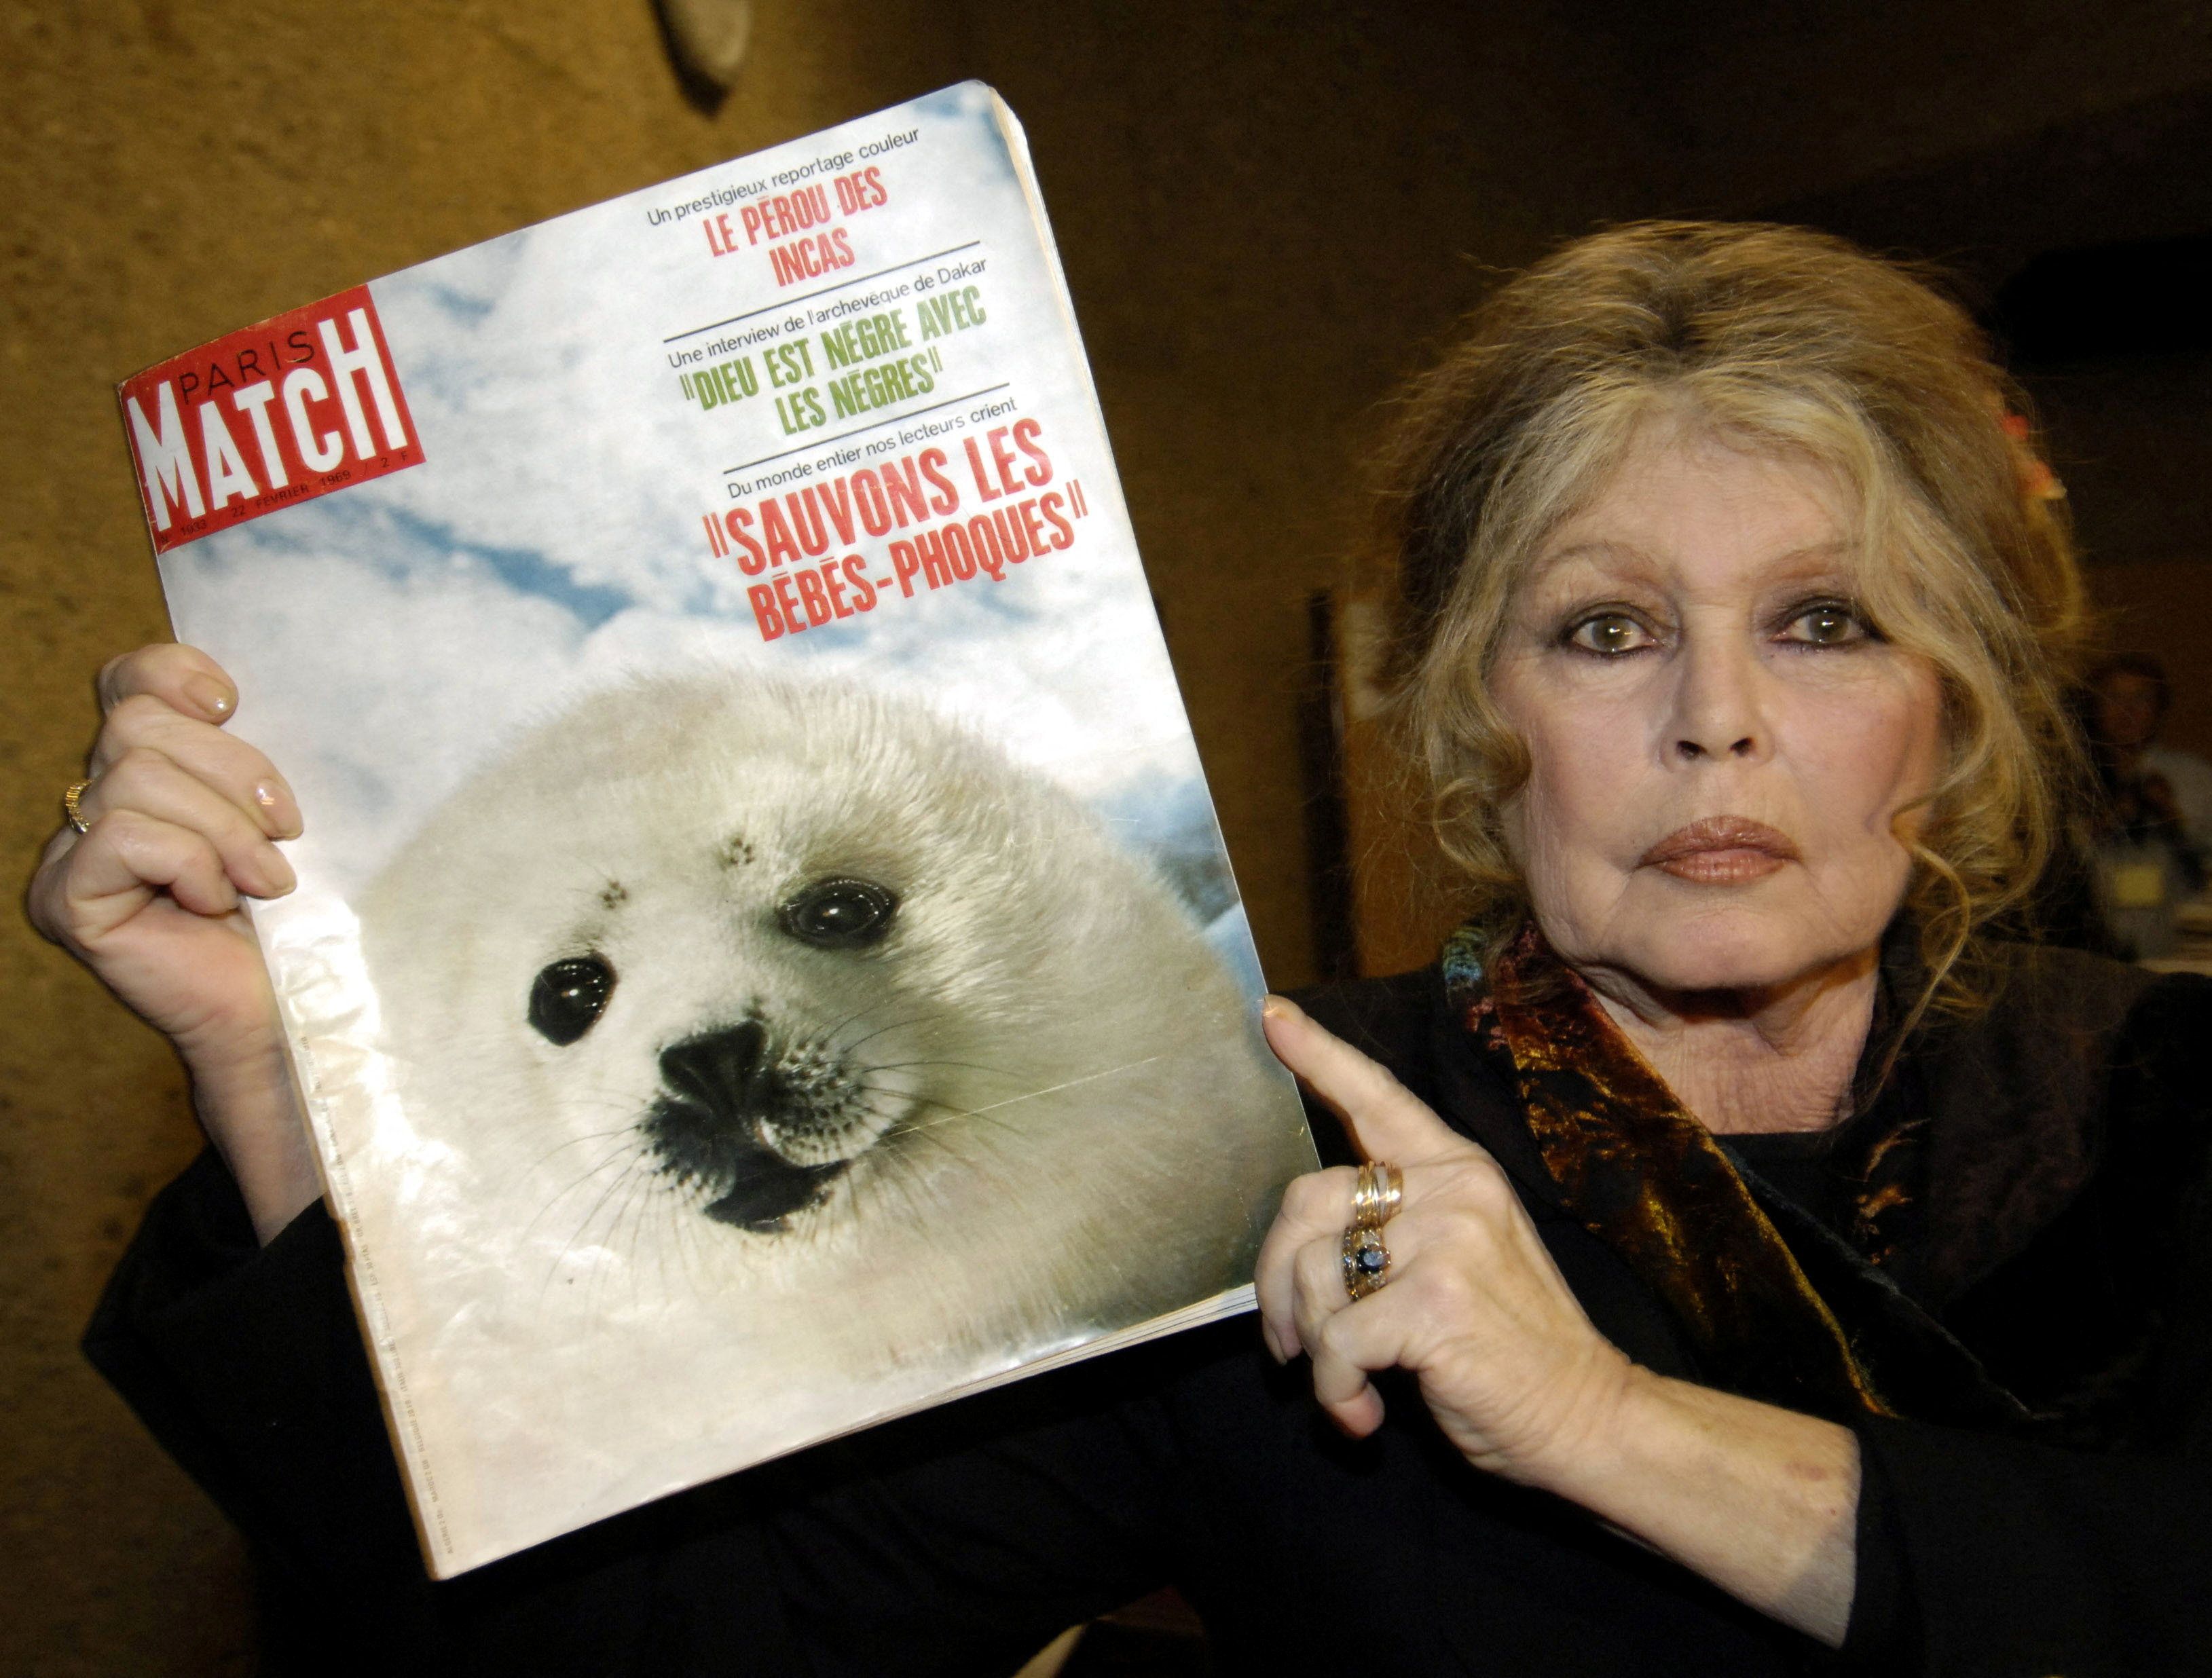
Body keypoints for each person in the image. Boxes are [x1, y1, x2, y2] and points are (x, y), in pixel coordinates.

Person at [33, 221, 2212, 1677]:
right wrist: (274, 1062)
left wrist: (1603, 1423)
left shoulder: (2172, 1108)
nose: (1712, 715)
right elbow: (670, 1642)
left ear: (1960, 696)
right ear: (1476, 710)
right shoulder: (1256, 1147)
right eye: (1606, 625)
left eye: (1822, 621)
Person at [2080, 653, 2211, 958]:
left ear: (2160, 709)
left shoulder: (2194, 778)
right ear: (2095, 707)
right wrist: (2106, 822)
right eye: (2114, 698)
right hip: (2094, 947)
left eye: (2142, 699)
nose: (2128, 711)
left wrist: (2172, 816)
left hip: (2175, 949)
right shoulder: (2073, 780)